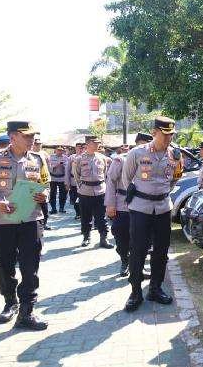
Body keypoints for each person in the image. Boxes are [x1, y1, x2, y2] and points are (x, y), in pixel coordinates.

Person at [0, 120, 50, 330]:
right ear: (13, 136)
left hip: (31, 220)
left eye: (33, 135)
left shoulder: (38, 159)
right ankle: (10, 302)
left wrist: (44, 194)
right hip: (2, 221)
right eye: (27, 135)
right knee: (5, 264)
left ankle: (27, 311)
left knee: (30, 266)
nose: (32, 139)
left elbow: (45, 184)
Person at [121, 117, 182, 311]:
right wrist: (144, 194)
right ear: (154, 132)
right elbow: (126, 178)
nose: (169, 138)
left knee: (161, 251)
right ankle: (135, 291)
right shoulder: (137, 153)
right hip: (141, 209)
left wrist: (161, 192)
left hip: (163, 208)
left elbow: (175, 178)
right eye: (165, 134)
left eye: (171, 135)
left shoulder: (175, 155)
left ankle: (155, 288)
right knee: (138, 250)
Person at [105, 133, 153, 277]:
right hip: (123, 204)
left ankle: (138, 267)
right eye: (144, 144)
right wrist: (110, 204)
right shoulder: (121, 159)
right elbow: (111, 181)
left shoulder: (150, 160)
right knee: (121, 236)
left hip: (143, 206)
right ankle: (125, 261)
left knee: (142, 238)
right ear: (137, 144)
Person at [73, 135, 113, 249]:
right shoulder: (79, 159)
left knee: (101, 217)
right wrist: (81, 186)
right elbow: (76, 175)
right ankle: (86, 237)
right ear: (87, 144)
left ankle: (103, 238)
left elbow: (105, 173)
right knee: (85, 217)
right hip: (85, 192)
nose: (97, 145)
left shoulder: (103, 158)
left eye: (98, 143)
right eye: (94, 143)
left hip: (100, 191)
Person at [32, 137, 51, 230]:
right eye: (36, 144)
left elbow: (48, 167)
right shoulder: (29, 154)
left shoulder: (45, 154)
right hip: (33, 183)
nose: (38, 146)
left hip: (43, 182)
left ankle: (45, 223)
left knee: (44, 204)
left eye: (39, 144)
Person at [48, 146, 70, 214]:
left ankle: (61, 208)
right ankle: (53, 209)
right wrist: (57, 165)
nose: (60, 151)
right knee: (52, 194)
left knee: (63, 194)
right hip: (53, 178)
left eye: (61, 150)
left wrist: (64, 165)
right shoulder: (51, 157)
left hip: (62, 178)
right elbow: (49, 167)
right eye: (58, 150)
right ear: (55, 150)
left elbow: (68, 168)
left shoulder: (66, 158)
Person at [68, 143, 84, 220]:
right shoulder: (72, 157)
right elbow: (67, 170)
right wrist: (67, 182)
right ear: (75, 148)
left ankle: (83, 213)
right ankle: (78, 213)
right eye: (78, 148)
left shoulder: (85, 157)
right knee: (75, 198)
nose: (80, 149)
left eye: (81, 148)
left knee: (83, 198)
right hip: (73, 181)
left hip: (84, 182)